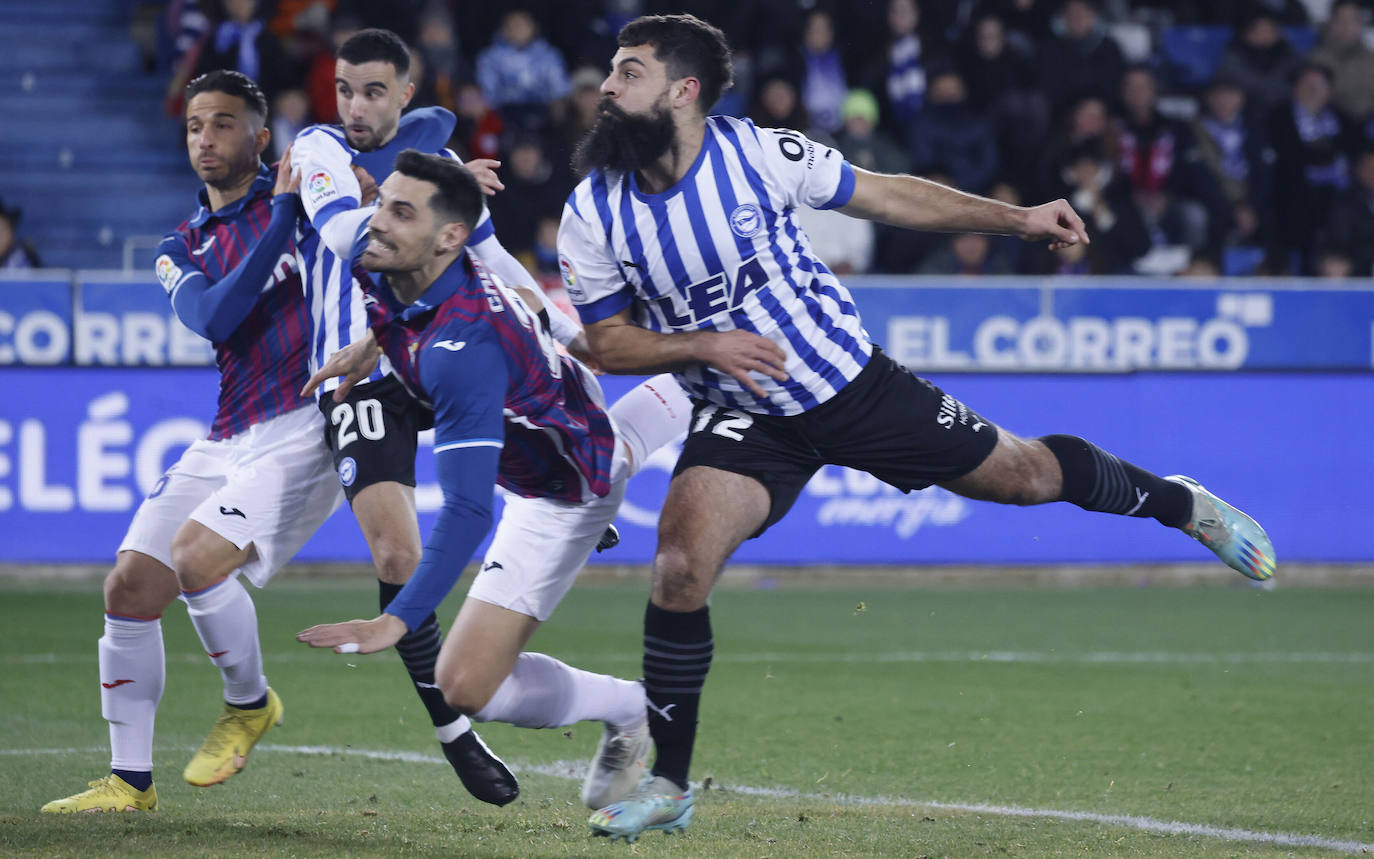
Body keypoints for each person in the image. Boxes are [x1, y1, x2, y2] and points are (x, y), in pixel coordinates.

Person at [556, 14, 1277, 841]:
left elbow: (890, 192)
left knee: (1029, 476)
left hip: (855, 389)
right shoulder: (594, 210)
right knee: (679, 566)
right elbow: (608, 343)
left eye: (629, 72)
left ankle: (1179, 504)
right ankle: (671, 783)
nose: (607, 87)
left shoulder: (759, 154)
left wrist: (1018, 219)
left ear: (683, 92)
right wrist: (704, 345)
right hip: (743, 411)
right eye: (611, 71)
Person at [289, 27, 654, 806]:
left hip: (427, 346)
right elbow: (343, 235)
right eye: (345, 89)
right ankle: (455, 731)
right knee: (397, 554)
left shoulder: (446, 176)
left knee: (515, 373)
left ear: (405, 95)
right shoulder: (317, 150)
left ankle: (562, 496)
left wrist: (546, 315)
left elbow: (493, 262)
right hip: (362, 371)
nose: (355, 106)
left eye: (374, 91)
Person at [41, 70, 343, 813]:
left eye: (223, 124)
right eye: (194, 126)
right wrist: (278, 213)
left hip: (305, 424)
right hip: (225, 434)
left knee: (199, 559)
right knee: (130, 586)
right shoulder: (181, 244)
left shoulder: (316, 212)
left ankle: (249, 702)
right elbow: (213, 317)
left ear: (260, 138)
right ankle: (129, 781)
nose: (205, 139)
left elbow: (413, 130)